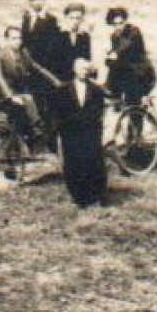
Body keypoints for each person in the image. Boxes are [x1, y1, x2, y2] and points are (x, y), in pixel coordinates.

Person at [53, 58, 108, 208]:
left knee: (92, 162)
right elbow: (59, 112)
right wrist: (63, 128)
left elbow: (99, 110)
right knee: (73, 164)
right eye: (81, 68)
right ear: (74, 70)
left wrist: (92, 124)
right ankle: (79, 197)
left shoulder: (96, 90)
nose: (84, 71)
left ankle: (96, 195)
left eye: (86, 69)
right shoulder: (63, 90)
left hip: (90, 132)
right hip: (71, 132)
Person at [0, 25, 53, 143]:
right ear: (7, 39)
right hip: (4, 94)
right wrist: (11, 96)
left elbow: (37, 67)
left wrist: (55, 81)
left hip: (21, 91)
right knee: (28, 100)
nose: (17, 42)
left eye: (19, 38)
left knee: (39, 97)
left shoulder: (24, 52)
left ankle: (34, 134)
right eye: (14, 38)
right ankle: (35, 128)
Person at [104, 7, 155, 107]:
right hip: (127, 73)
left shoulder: (134, 31)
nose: (119, 26)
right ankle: (115, 95)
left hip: (141, 74)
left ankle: (114, 95)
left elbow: (126, 48)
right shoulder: (114, 36)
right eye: (115, 24)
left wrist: (113, 52)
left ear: (125, 21)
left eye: (121, 23)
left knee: (134, 104)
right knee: (111, 63)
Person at [51, 4, 92, 83]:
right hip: (60, 79)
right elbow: (53, 60)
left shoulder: (85, 37)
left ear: (82, 20)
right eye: (71, 18)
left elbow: (86, 58)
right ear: (66, 18)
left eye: (78, 18)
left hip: (79, 79)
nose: (75, 21)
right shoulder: (57, 35)